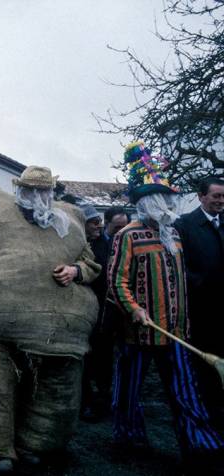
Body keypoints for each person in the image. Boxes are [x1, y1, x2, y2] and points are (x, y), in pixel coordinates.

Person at [0, 166, 101, 473]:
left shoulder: (69, 222)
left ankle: (35, 445)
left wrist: (76, 271)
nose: (36, 197)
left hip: (52, 330)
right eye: (30, 191)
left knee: (48, 392)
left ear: (50, 193)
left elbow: (89, 261)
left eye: (42, 191)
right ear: (20, 190)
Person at [109, 142, 222, 472]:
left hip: (175, 333)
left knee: (187, 393)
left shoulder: (174, 234)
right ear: (147, 202)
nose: (168, 203)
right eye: (162, 198)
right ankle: (128, 441)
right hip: (139, 333)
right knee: (128, 393)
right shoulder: (128, 236)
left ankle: (202, 445)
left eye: (170, 197)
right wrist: (134, 310)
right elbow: (117, 283)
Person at [175, 177, 224, 428]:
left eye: (223, 197)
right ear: (201, 196)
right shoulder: (185, 225)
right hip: (201, 311)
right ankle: (206, 420)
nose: (221, 201)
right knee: (204, 368)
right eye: (216, 196)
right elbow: (178, 267)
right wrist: (202, 282)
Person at [79, 205, 112, 422]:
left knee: (103, 357)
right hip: (81, 309)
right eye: (93, 222)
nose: (98, 225)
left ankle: (102, 399)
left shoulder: (105, 245)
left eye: (98, 221)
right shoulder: (77, 244)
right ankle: (85, 400)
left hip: (103, 308)